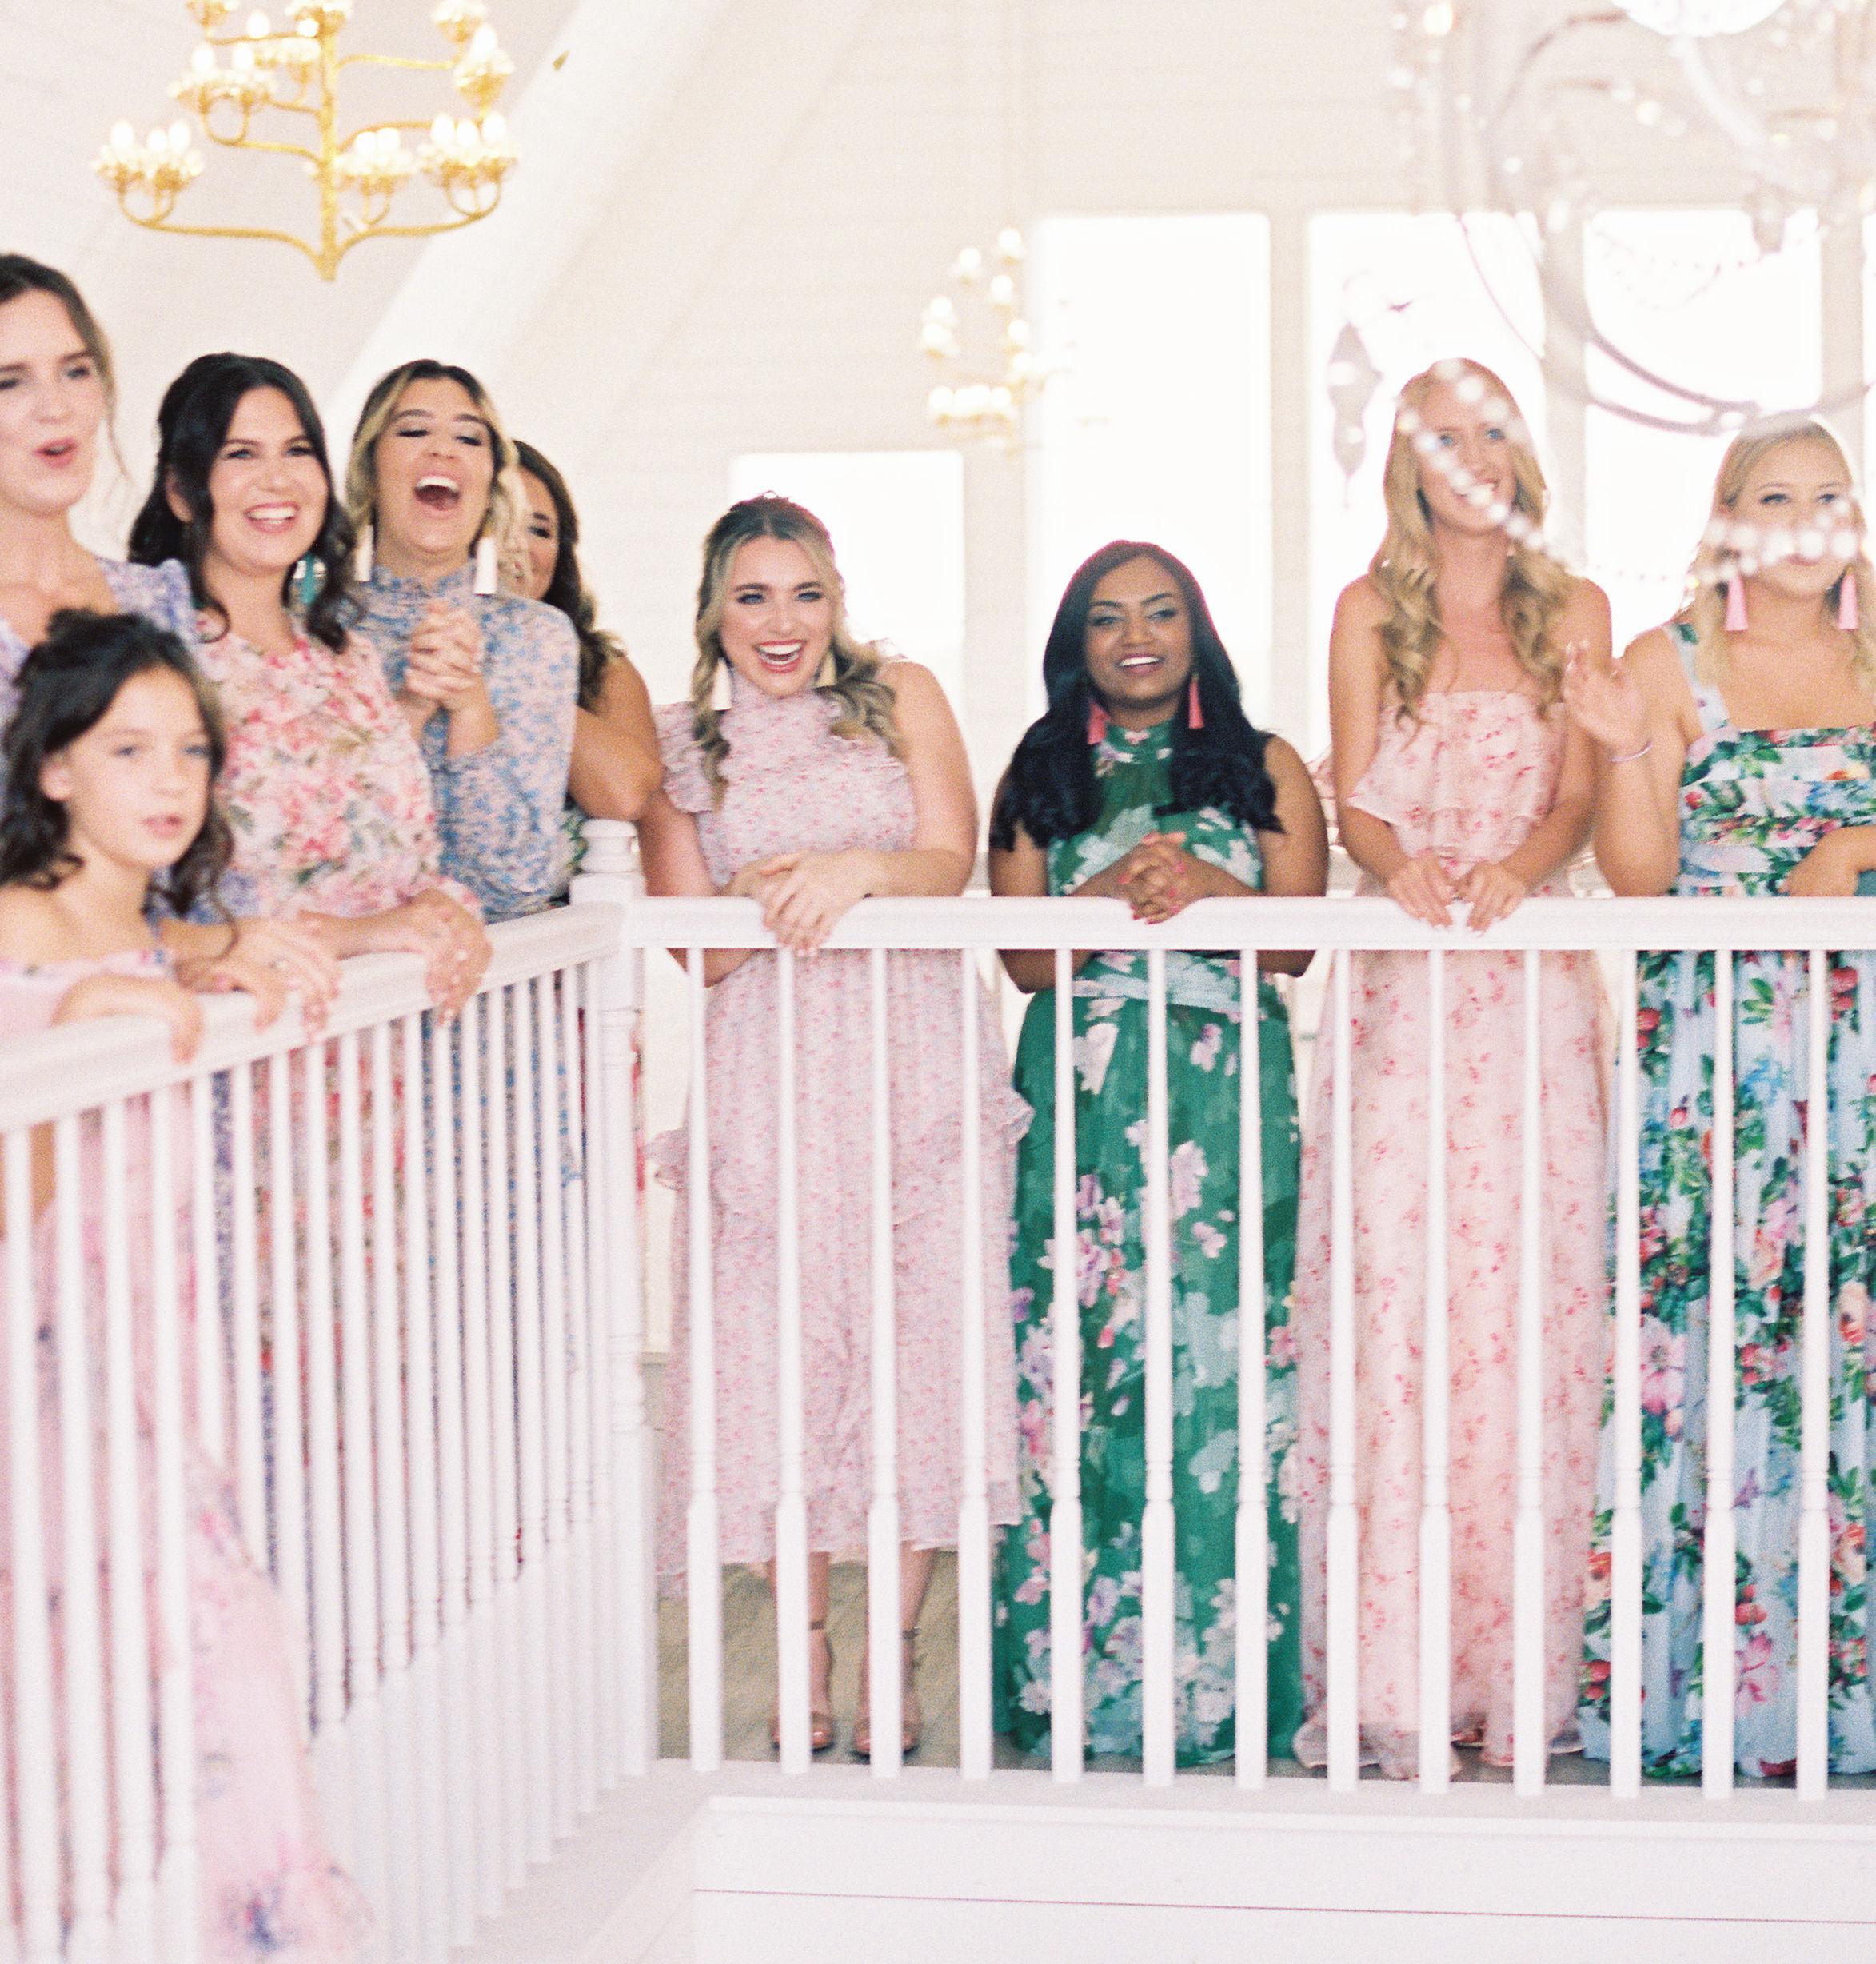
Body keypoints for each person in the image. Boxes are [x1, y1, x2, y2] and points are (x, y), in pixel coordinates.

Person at [0, 610, 366, 1957]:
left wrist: (221, 954)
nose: (170, 780)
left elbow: (173, 951)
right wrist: (66, 1036)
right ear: (53, 767)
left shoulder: (151, 928)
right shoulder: (16, 929)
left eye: (192, 751)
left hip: (158, 1388)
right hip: (50, 1400)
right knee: (127, 1717)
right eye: (129, 749)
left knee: (200, 1713)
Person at [638, 495, 1022, 1757]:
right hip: (770, 1073)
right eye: (752, 597)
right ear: (713, 611)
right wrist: (755, 902)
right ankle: (800, 1650)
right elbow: (696, 953)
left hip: (911, 1062)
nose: (781, 622)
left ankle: (891, 1656)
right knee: (774, 1366)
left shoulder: (900, 696)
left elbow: (949, 856)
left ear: (836, 599)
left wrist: (856, 872)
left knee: (918, 1355)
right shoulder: (680, 745)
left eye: (804, 593)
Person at [1293, 358, 1610, 1778]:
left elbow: (1580, 797)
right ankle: (1398, 1678)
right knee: (1401, 1308)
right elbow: (1352, 797)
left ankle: (1516, 1679)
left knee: (1526, 1313)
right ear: (1408, 464)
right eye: (1444, 435)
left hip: (1528, 990)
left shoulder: (1573, 606)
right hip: (1405, 991)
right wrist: (1400, 867)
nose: (1472, 455)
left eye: (1493, 429)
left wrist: (1520, 874)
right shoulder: (1371, 609)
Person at [1566, 412, 1876, 1777]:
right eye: (1776, 497)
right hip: (1713, 1049)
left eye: (1830, 495)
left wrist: (1851, 848)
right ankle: (1704, 1694)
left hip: (1857, 1044)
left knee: (1847, 1338)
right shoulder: (1668, 657)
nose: (1806, 521)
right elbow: (1639, 878)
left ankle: (1841, 1696)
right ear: (1732, 520)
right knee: (1708, 1336)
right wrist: (1624, 749)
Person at [988, 541, 1327, 1765]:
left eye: (1160, 612)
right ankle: (1080, 1686)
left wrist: (1201, 886)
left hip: (1225, 1096)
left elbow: (1298, 945)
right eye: (1107, 618)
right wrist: (1112, 897)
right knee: (1078, 1366)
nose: (1135, 637)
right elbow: (1020, 961)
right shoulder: (1036, 768)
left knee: (1225, 1364)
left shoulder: (1262, 761)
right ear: (1073, 643)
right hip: (1079, 1097)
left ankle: (1224, 1688)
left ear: (1197, 630)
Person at [0, 256, 336, 1020]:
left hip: (154, 1031)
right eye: (9, 382)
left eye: (75, 371)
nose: (55, 407)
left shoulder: (157, 601)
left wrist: (216, 947)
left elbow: (190, 872)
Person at [128, 353, 488, 1011]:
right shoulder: (155, 656)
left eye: (297, 451)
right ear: (181, 491)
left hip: (378, 1039)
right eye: (241, 454)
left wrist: (440, 908)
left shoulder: (347, 657)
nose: (277, 480)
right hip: (247, 1030)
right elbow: (133, 904)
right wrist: (368, 933)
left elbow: (401, 850)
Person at [345, 361, 577, 922]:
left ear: (490, 480)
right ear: (371, 468)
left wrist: (471, 709)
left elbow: (517, 883)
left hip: (496, 969)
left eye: (469, 438)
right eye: (413, 430)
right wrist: (411, 706)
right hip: (351, 965)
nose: (442, 451)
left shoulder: (537, 638)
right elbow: (323, 861)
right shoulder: (315, 632)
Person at [513, 439, 661, 855]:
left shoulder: (601, 669)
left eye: (539, 530)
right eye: (499, 522)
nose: (519, 547)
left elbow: (627, 795)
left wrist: (515, 663)